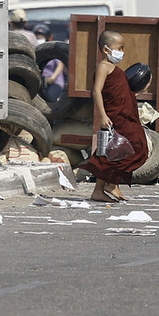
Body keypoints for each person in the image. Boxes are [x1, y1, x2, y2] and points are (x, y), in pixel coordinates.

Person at [79, 30, 149, 202]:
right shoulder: (103, 66)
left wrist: (141, 90)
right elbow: (97, 91)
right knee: (131, 149)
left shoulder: (116, 69)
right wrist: (102, 115)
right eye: (119, 48)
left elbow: (121, 93)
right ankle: (105, 186)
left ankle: (110, 184)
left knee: (132, 149)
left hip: (126, 115)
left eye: (123, 48)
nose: (122, 52)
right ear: (106, 49)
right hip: (114, 116)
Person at [33, 24, 67, 103]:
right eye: (37, 37)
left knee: (50, 98)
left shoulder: (52, 50)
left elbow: (60, 65)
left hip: (55, 82)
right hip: (41, 83)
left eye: (41, 37)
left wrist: (53, 78)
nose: (39, 39)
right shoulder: (35, 50)